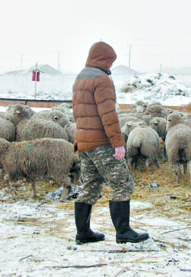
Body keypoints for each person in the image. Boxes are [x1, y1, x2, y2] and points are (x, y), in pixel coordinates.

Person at [71, 41, 149, 244]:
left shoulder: (81, 77)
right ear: (103, 59)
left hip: (84, 143)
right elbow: (108, 114)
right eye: (110, 61)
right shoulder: (101, 79)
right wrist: (118, 143)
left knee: (89, 186)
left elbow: (79, 112)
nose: (110, 66)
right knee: (122, 183)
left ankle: (83, 232)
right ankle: (123, 232)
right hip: (101, 143)